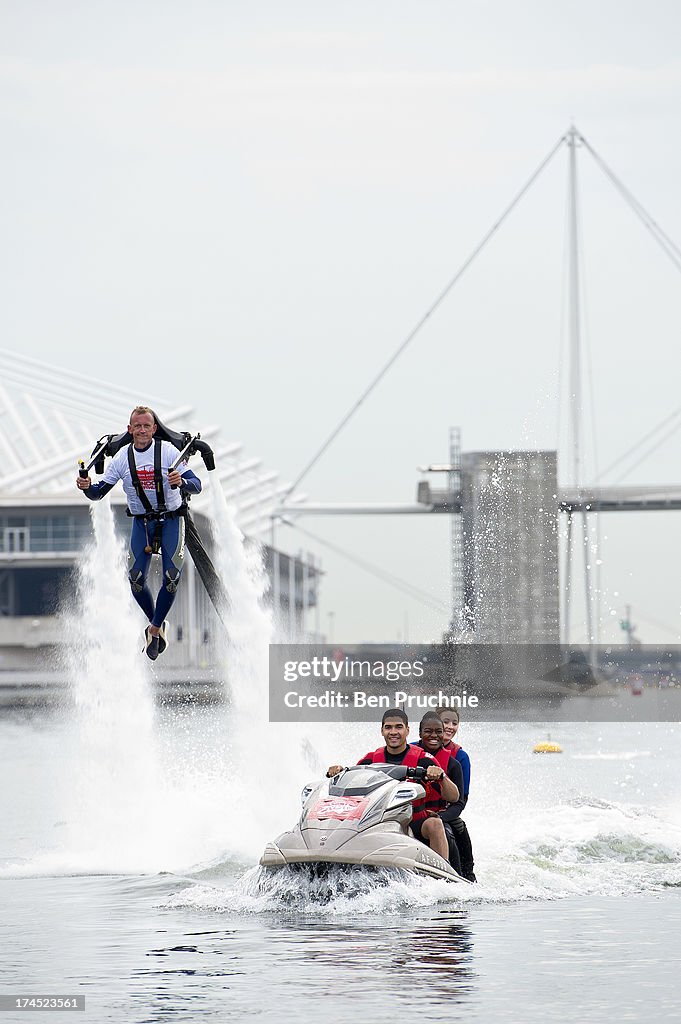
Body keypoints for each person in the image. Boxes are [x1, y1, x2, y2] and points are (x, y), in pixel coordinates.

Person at [76, 406, 202, 661]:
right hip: (142, 524)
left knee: (171, 577)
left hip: (171, 520)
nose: (142, 430)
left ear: (154, 429)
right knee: (134, 579)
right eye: (138, 426)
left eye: (147, 426)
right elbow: (98, 493)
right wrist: (86, 487)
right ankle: (156, 625)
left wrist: (182, 482)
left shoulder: (168, 452)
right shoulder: (122, 459)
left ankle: (154, 629)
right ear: (129, 429)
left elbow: (197, 485)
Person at [326, 708, 459, 863]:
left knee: (435, 824)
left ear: (407, 730)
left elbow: (454, 797)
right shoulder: (371, 759)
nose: (393, 732)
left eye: (398, 727)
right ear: (382, 731)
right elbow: (352, 786)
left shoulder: (424, 759)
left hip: (413, 821)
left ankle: (442, 877)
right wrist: (339, 772)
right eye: (388, 727)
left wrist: (441, 776)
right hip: (377, 822)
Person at [438, 707, 476, 882]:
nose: (450, 727)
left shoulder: (460, 757)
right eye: (446, 722)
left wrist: (442, 817)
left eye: (454, 723)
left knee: (458, 827)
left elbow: (461, 800)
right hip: (413, 809)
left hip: (445, 812)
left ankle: (465, 874)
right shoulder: (414, 749)